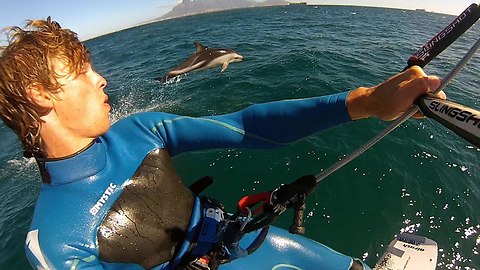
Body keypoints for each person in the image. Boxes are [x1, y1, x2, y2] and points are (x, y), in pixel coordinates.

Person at [0, 18, 445, 270]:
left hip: (247, 241)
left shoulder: (140, 131)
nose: (100, 79)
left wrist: (369, 101)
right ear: (42, 95)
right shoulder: (55, 242)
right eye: (81, 72)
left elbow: (247, 127)